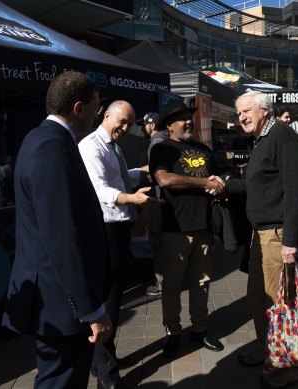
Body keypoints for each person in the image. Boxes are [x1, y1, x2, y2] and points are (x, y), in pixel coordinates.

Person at [2, 71, 112, 389]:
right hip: (62, 305)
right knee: (60, 382)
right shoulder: (52, 148)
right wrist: (91, 309)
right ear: (78, 108)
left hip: (57, 300)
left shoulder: (43, 139)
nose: (97, 114)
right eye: (95, 107)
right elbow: (63, 237)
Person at [225, 91, 298, 388]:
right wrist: (222, 185)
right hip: (259, 236)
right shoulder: (261, 140)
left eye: (247, 111)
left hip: (276, 236)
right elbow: (252, 184)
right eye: (239, 113)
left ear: (265, 110)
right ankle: (268, 351)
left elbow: (297, 191)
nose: (242, 117)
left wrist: (289, 241)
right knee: (258, 298)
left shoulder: (282, 136)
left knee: (280, 304)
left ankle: (289, 366)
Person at [78, 100, 162, 389]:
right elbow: (100, 189)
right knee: (107, 304)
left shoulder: (112, 147)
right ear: (107, 114)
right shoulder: (91, 146)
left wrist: (141, 172)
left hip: (117, 228)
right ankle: (107, 377)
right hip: (104, 230)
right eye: (122, 121)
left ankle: (101, 361)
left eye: (130, 124)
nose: (125, 128)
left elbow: (117, 179)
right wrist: (134, 198)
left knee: (113, 298)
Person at [149, 94, 225, 359]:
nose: (188, 121)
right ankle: (172, 333)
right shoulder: (162, 149)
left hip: (203, 227)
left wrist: (221, 183)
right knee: (171, 285)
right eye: (182, 119)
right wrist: (205, 184)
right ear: (169, 125)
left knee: (201, 282)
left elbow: (218, 176)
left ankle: (200, 330)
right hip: (174, 229)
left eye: (189, 117)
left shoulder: (204, 149)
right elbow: (164, 179)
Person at [138, 111, 168, 298]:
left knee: (158, 241)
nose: (142, 128)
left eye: (144, 125)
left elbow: (155, 173)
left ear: (151, 125)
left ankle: (162, 284)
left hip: (158, 199)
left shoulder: (156, 143)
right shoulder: (170, 139)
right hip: (169, 201)